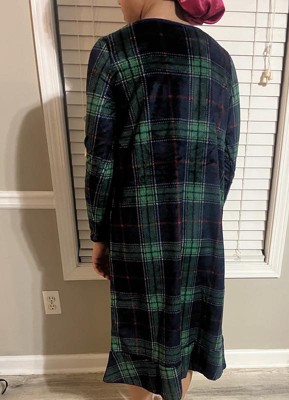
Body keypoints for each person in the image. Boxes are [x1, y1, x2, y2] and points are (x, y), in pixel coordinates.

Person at [84, 0, 240, 399]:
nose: (119, 2)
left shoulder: (113, 50)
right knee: (184, 334)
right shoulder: (220, 60)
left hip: (137, 225)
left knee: (142, 336)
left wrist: (100, 233)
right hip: (201, 229)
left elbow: (101, 157)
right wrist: (206, 213)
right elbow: (227, 157)